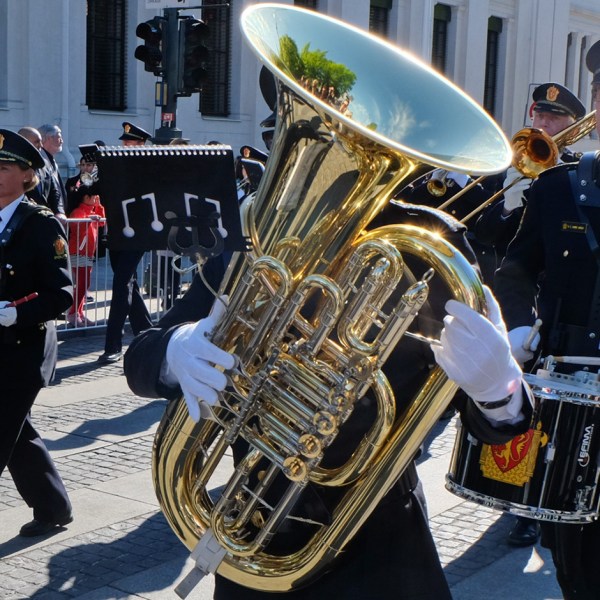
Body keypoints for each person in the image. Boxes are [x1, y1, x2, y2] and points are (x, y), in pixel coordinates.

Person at [124, 200, 534, 599]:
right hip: (257, 529)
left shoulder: (427, 247)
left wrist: (498, 391)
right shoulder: (256, 238)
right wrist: (175, 349)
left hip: (383, 541)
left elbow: (490, 423)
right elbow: (140, 357)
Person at [493, 42, 600, 599]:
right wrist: (517, 327)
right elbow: (514, 269)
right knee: (572, 554)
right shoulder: (558, 187)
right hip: (566, 399)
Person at [476, 82, 586, 548]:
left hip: (564, 313)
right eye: (539, 115)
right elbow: (490, 239)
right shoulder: (521, 171)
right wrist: (509, 201)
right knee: (529, 421)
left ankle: (538, 511)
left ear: (574, 125)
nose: (543, 124)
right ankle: (520, 500)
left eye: (554, 118)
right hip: (533, 321)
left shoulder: (572, 174)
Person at [0, 129, 74, 536]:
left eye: (4, 168)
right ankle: (53, 507)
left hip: (22, 349)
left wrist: (16, 313)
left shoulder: (41, 225)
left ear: (28, 175)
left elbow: (62, 294)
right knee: (18, 433)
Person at [97, 122, 153, 364]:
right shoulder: (116, 165)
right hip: (117, 231)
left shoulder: (148, 167)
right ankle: (146, 333)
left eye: (129, 142)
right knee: (129, 283)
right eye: (124, 142)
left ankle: (113, 345)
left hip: (137, 233)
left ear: (141, 144)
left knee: (121, 284)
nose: (124, 145)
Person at [66, 181, 105, 327]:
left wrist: (98, 206)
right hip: (78, 252)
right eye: (93, 196)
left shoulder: (89, 211)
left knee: (83, 284)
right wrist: (89, 220)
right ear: (85, 197)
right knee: (83, 283)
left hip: (86, 253)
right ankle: (73, 313)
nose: (95, 198)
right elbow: (78, 229)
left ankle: (78, 312)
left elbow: (101, 222)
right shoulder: (78, 212)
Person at [38, 124, 68, 226]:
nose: (62, 141)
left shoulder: (51, 159)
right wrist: (57, 211)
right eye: (59, 137)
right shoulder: (40, 161)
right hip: (46, 217)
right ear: (49, 138)